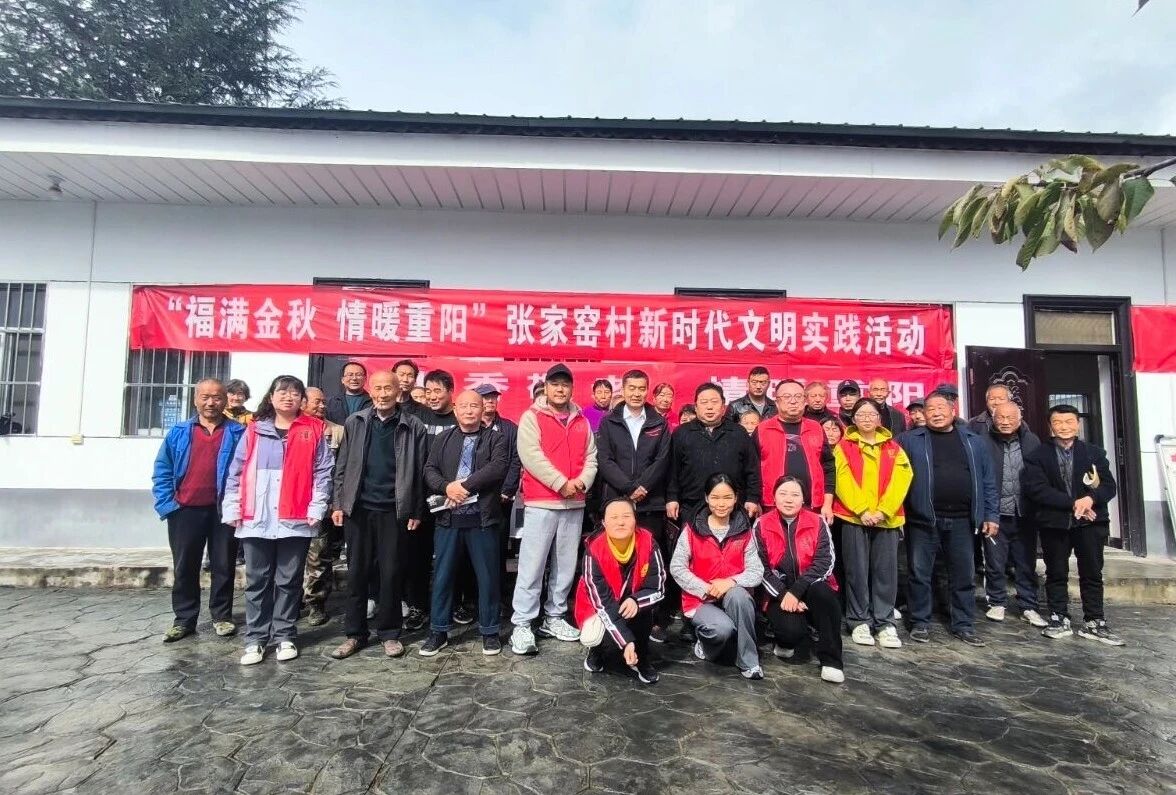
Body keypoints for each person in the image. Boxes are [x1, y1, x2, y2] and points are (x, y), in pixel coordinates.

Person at [222, 376, 333, 665]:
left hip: (296, 517)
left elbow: (323, 471)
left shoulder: (313, 429)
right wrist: (232, 507)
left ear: (302, 400)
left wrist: (317, 506)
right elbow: (236, 470)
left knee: (288, 580)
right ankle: (256, 639)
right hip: (257, 516)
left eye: (295, 393)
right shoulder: (254, 430)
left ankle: (285, 635)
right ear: (271, 397)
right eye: (282, 392)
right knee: (257, 581)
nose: (288, 397)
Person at [329, 371, 428, 661]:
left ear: (399, 391)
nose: (383, 394)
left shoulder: (413, 425)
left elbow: (420, 471)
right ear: (370, 391)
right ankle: (355, 633)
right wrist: (338, 503)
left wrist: (416, 509)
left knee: (391, 572)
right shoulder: (355, 421)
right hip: (359, 509)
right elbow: (342, 466)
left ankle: (389, 633)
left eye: (388, 388)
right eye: (378, 388)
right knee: (357, 572)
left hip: (394, 510)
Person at [509, 363, 598, 655]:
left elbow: (592, 457)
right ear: (546, 387)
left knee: (566, 565)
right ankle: (523, 623)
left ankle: (554, 616)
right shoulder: (531, 417)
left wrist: (581, 483)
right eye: (555, 384)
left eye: (565, 385)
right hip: (542, 501)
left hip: (574, 502)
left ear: (572, 388)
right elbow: (531, 455)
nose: (560, 389)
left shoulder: (582, 420)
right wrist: (561, 483)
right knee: (532, 565)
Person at [897, 391, 998, 646]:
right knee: (919, 573)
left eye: (941, 408)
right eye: (930, 409)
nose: (936, 413)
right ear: (923, 414)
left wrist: (990, 515)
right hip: (922, 520)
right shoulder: (910, 440)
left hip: (964, 520)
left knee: (963, 574)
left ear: (953, 411)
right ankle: (920, 622)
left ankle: (963, 624)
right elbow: (895, 477)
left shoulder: (974, 441)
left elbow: (988, 481)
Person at [152, 379, 246, 643]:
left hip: (223, 511)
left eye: (217, 397)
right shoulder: (180, 432)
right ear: (195, 400)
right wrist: (168, 504)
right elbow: (162, 469)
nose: (211, 403)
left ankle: (222, 616)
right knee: (185, 567)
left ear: (225, 400)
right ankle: (184, 619)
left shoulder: (237, 432)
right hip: (185, 510)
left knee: (223, 565)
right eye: (205, 397)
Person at [1022, 405, 1124, 645]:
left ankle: (1094, 620)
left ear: (1078, 424)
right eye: (1058, 422)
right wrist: (1074, 503)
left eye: (1069, 421)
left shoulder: (1094, 453)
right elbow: (1037, 489)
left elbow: (1108, 486)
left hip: (1091, 523)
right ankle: (1058, 617)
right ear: (1050, 426)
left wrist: (1090, 499)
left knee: (1092, 572)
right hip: (1055, 523)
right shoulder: (1038, 456)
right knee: (1056, 572)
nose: (1064, 427)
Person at [422, 390, 510, 656]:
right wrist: (446, 487)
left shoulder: (496, 438)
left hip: (482, 520)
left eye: (475, 406)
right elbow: (429, 469)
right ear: (455, 409)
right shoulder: (443, 439)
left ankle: (490, 631)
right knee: (443, 576)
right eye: (464, 406)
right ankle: (438, 631)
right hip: (448, 520)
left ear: (483, 409)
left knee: (488, 577)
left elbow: (498, 467)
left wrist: (465, 486)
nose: (469, 410)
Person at [595, 369, 673, 642]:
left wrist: (643, 487)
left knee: (649, 559)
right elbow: (605, 460)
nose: (637, 393)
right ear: (624, 389)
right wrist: (629, 487)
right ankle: (613, 613)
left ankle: (651, 618)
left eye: (641, 389)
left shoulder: (658, 423)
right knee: (616, 559)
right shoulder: (609, 421)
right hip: (617, 500)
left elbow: (662, 460)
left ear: (647, 391)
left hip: (650, 502)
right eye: (632, 388)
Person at [833, 398, 913, 649]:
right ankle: (858, 620)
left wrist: (883, 511)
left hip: (886, 520)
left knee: (886, 573)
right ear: (853, 419)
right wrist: (862, 510)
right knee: (856, 571)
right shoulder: (843, 446)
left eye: (871, 414)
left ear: (879, 419)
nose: (866, 419)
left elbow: (902, 479)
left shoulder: (894, 448)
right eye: (861, 415)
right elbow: (842, 479)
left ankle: (885, 622)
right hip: (854, 518)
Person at [670, 473, 764, 679]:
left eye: (727, 497)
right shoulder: (692, 529)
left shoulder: (744, 530)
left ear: (736, 498)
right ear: (706, 498)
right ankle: (705, 645)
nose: (721, 504)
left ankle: (749, 662)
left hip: (733, 595)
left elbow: (756, 571)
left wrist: (730, 582)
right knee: (722, 630)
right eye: (715, 497)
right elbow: (677, 567)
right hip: (700, 599)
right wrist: (706, 588)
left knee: (740, 597)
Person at [757, 476, 844, 684]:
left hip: (811, 586)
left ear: (804, 498)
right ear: (773, 497)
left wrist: (797, 591)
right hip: (779, 593)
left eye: (795, 495)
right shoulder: (761, 524)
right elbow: (761, 569)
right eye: (783, 494)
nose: (789, 499)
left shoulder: (817, 521)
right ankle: (790, 635)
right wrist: (785, 594)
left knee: (823, 594)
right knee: (790, 634)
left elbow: (825, 561)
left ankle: (831, 660)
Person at [575, 498, 666, 685]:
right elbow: (603, 604)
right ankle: (597, 651)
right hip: (599, 606)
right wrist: (626, 641)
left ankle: (641, 656)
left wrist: (637, 600)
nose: (620, 522)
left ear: (635, 520)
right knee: (594, 637)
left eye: (626, 516)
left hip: (632, 602)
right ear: (604, 522)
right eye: (614, 517)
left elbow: (657, 587)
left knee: (643, 611)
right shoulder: (593, 550)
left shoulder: (649, 543)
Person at [980, 402, 1045, 627]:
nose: (1005, 422)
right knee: (994, 561)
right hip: (995, 513)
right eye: (1001, 417)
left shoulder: (1032, 441)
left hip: (1024, 513)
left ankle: (1028, 605)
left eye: (1010, 418)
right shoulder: (983, 441)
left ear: (1019, 419)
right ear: (993, 419)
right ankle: (997, 601)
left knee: (1026, 562)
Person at [406, 369, 460, 629]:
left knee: (453, 557)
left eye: (438, 391)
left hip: (452, 498)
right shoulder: (417, 418)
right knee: (417, 556)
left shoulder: (459, 418)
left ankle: (454, 604)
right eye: (428, 391)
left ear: (451, 392)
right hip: (420, 499)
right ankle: (417, 606)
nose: (432, 396)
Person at [666, 382, 762, 526]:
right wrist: (672, 498)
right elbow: (672, 470)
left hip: (732, 507)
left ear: (723, 406)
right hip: (692, 505)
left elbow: (752, 469)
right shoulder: (681, 433)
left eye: (714, 402)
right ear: (696, 407)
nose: (709, 407)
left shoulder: (738, 432)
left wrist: (753, 498)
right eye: (704, 402)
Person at [756, 379, 836, 521]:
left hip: (812, 505)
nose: (793, 401)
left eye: (798, 397)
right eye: (787, 397)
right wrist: (754, 500)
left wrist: (828, 504)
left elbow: (828, 467)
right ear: (777, 402)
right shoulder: (763, 429)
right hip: (771, 506)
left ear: (805, 401)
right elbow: (751, 470)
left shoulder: (816, 428)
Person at [301, 387, 346, 626]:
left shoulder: (337, 431)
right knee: (291, 557)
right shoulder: (290, 428)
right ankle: (291, 600)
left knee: (319, 556)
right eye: (316, 402)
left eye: (323, 402)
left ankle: (316, 603)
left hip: (322, 504)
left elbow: (341, 470)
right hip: (293, 504)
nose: (322, 406)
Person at [478, 384, 523, 601]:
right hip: (473, 498)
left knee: (498, 547)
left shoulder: (509, 428)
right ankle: (473, 596)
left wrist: (507, 490)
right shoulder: (470, 426)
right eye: (485, 398)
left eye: (493, 398)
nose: (490, 401)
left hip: (500, 499)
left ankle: (498, 595)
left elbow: (516, 460)